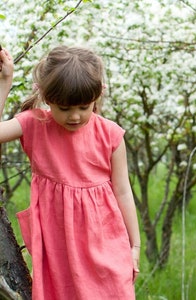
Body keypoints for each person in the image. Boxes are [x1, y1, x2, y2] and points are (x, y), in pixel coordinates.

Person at [0, 46, 141, 299]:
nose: (74, 116)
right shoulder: (34, 123)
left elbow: (122, 190)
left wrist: (135, 245)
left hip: (106, 240)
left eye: (84, 107)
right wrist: (4, 82)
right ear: (46, 97)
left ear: (97, 96)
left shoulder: (110, 134)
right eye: (64, 109)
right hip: (59, 244)